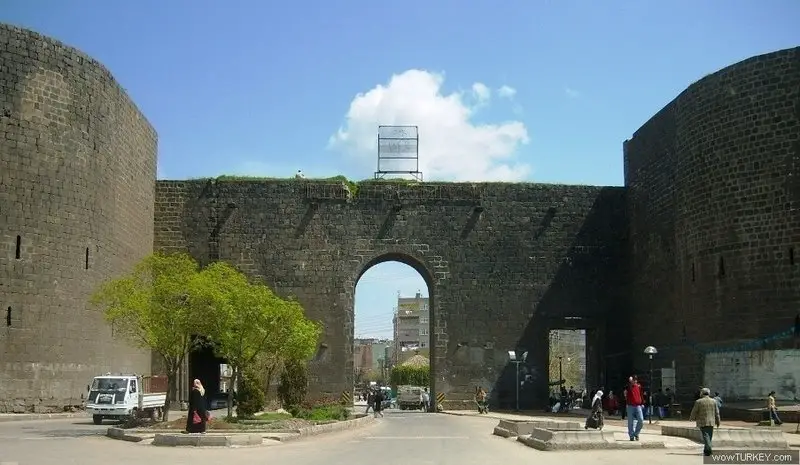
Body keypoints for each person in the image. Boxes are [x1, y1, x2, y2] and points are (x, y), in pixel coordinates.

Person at [689, 387, 721, 456]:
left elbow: (694, 411)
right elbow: (717, 413)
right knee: (709, 436)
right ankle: (706, 451)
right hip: (711, 421)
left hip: (702, 421)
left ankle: (708, 450)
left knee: (706, 436)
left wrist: (691, 418)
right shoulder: (714, 401)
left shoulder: (698, 401)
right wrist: (718, 421)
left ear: (702, 393)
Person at [626, 376, 645, 441]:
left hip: (638, 405)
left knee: (641, 420)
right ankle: (631, 435)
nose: (635, 381)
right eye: (633, 380)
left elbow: (641, 395)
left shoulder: (639, 386)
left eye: (636, 380)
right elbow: (627, 387)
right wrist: (629, 381)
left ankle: (636, 433)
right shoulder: (629, 386)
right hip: (630, 406)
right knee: (630, 422)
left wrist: (642, 403)